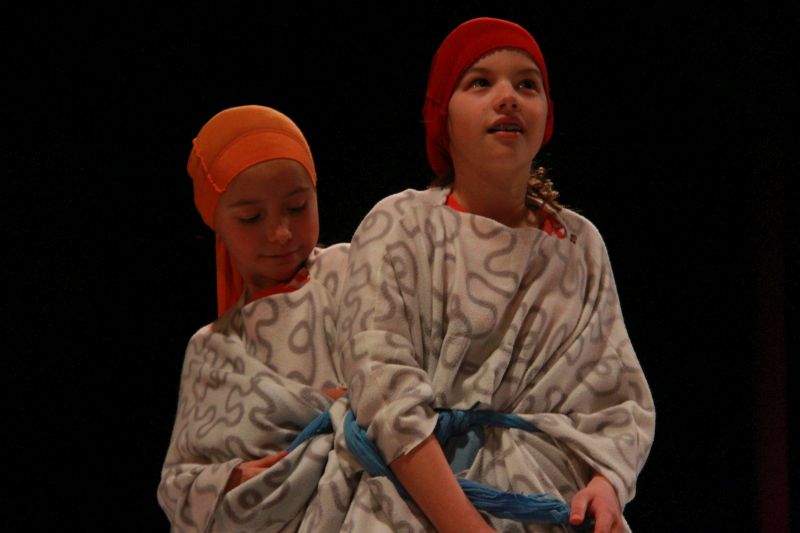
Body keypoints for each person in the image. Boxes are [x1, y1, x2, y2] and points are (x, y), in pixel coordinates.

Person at [334, 17, 655, 533]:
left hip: (550, 505)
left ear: (547, 115)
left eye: (527, 85)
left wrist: (607, 484)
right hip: (412, 506)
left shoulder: (578, 244)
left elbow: (617, 396)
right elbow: (381, 385)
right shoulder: (400, 224)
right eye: (480, 82)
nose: (508, 98)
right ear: (442, 115)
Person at [156, 105, 349, 532]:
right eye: (251, 218)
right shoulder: (211, 348)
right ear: (216, 223)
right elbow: (175, 486)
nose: (280, 233)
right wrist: (230, 480)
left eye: (297, 206)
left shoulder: (356, 273)